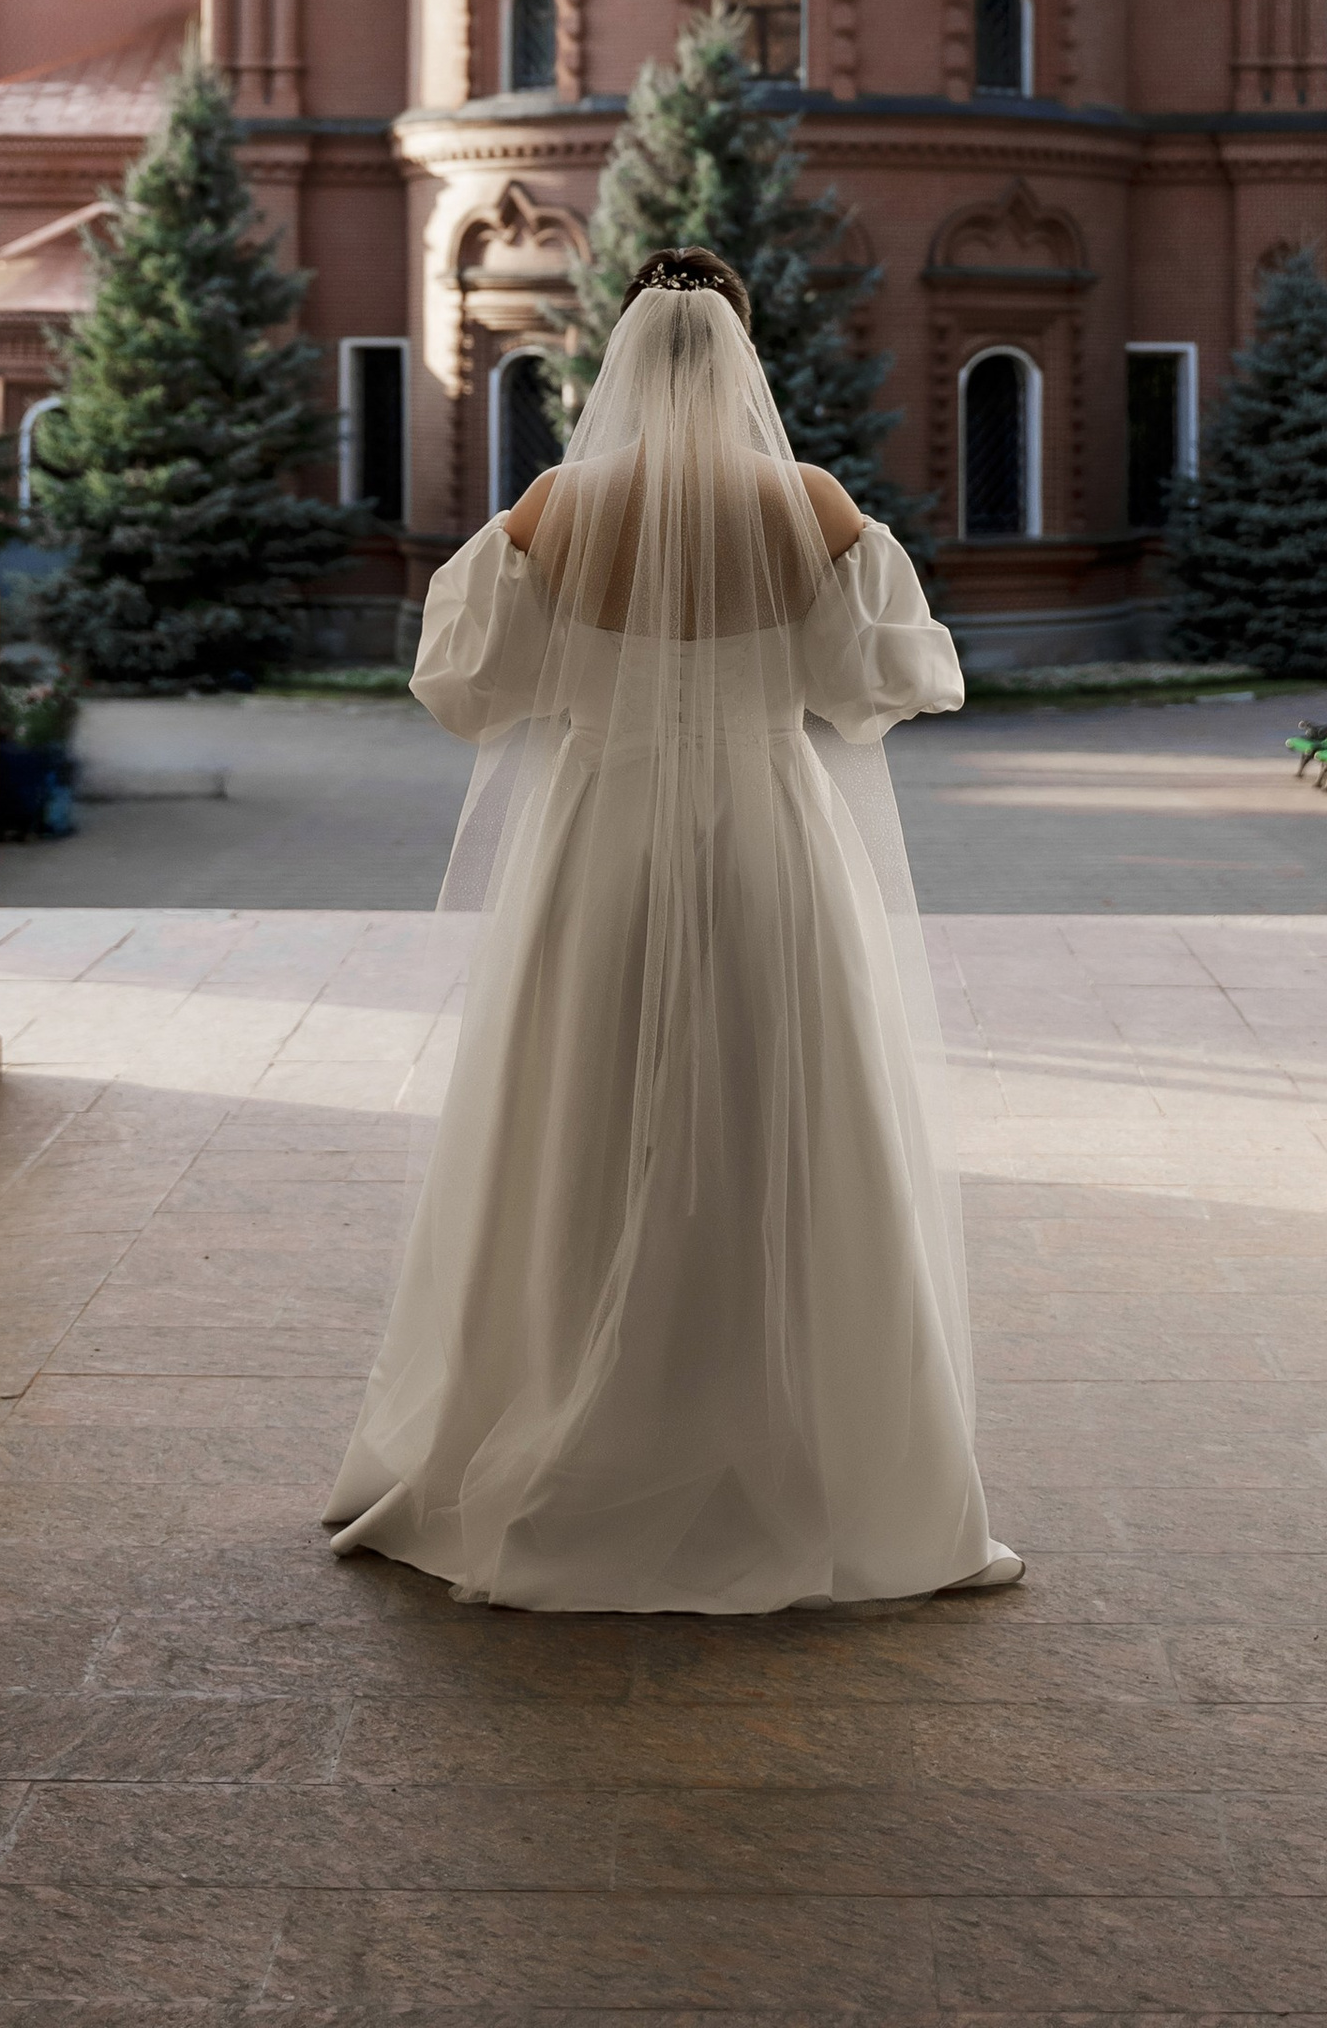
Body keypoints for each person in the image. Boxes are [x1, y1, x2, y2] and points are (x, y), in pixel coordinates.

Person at [323, 244, 1020, 1614]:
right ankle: (796, 1456)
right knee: (778, 1123)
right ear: (748, 360)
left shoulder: (550, 511)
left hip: (599, 849)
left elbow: (465, 688)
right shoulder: (811, 507)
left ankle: (557, 1420)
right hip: (765, 841)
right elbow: (887, 680)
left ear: (620, 358)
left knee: (577, 1123)